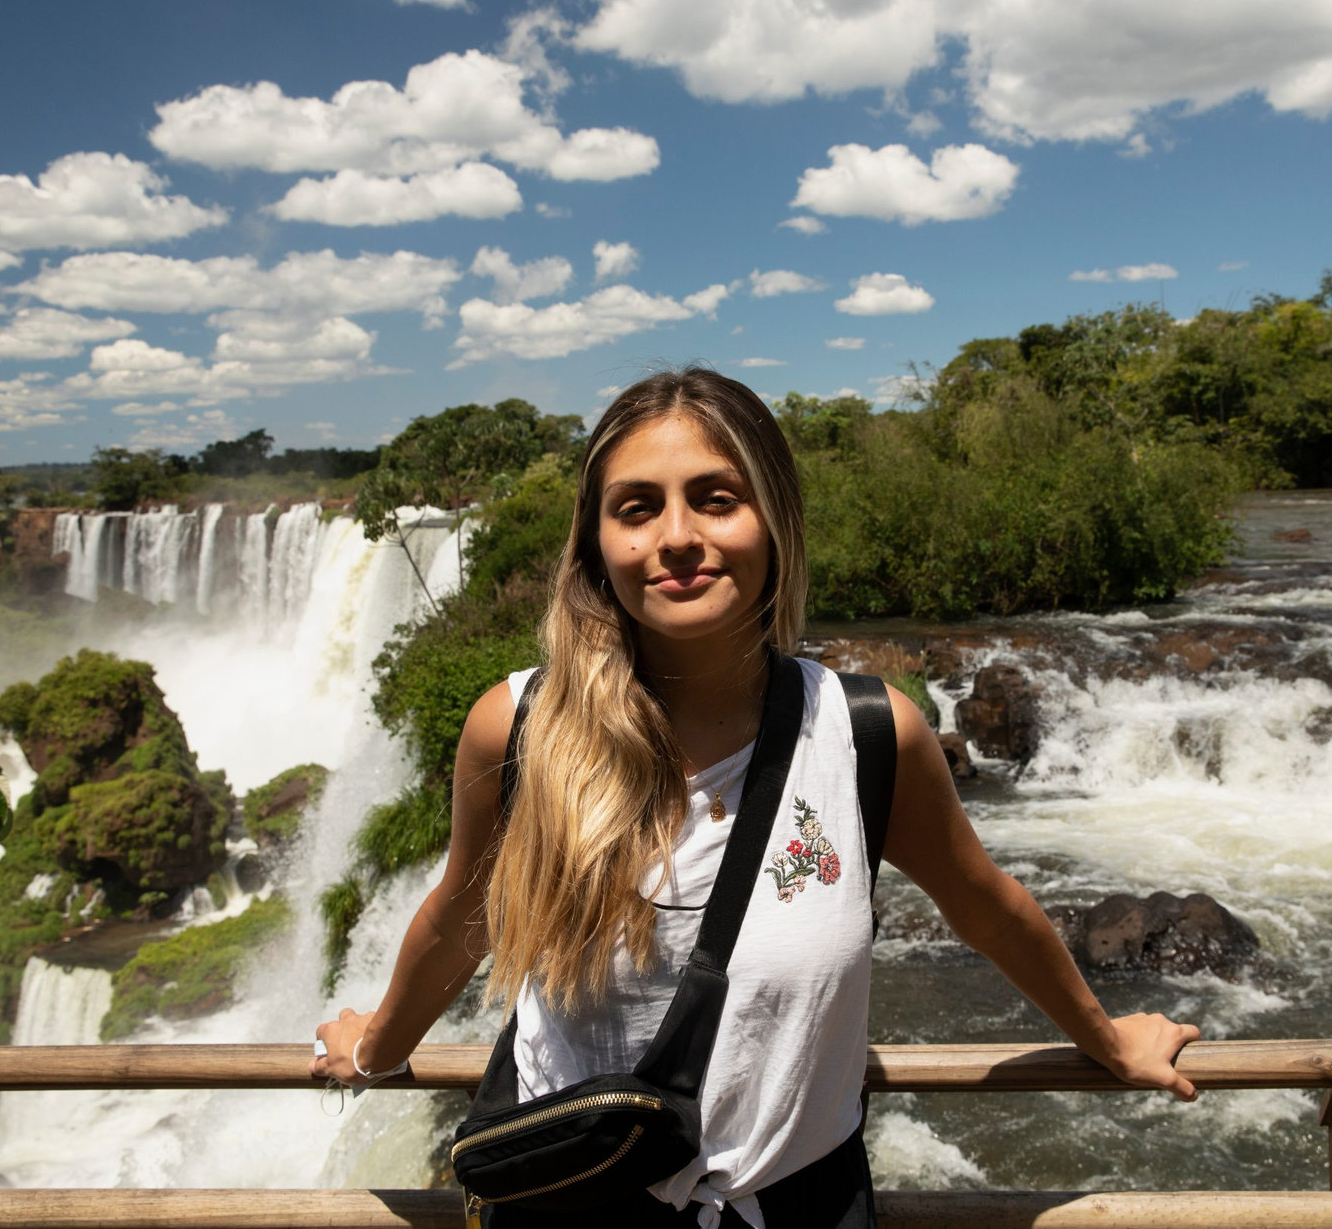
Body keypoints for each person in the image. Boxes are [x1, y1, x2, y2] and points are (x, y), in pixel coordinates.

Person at [313, 367, 1200, 1227]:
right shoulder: (518, 727)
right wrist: (378, 1048)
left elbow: (986, 906)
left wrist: (1108, 1039)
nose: (675, 536)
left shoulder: (865, 735)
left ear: (775, 524)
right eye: (637, 507)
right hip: (567, 1194)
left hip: (799, 1203)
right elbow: (461, 918)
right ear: (594, 545)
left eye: (716, 498)